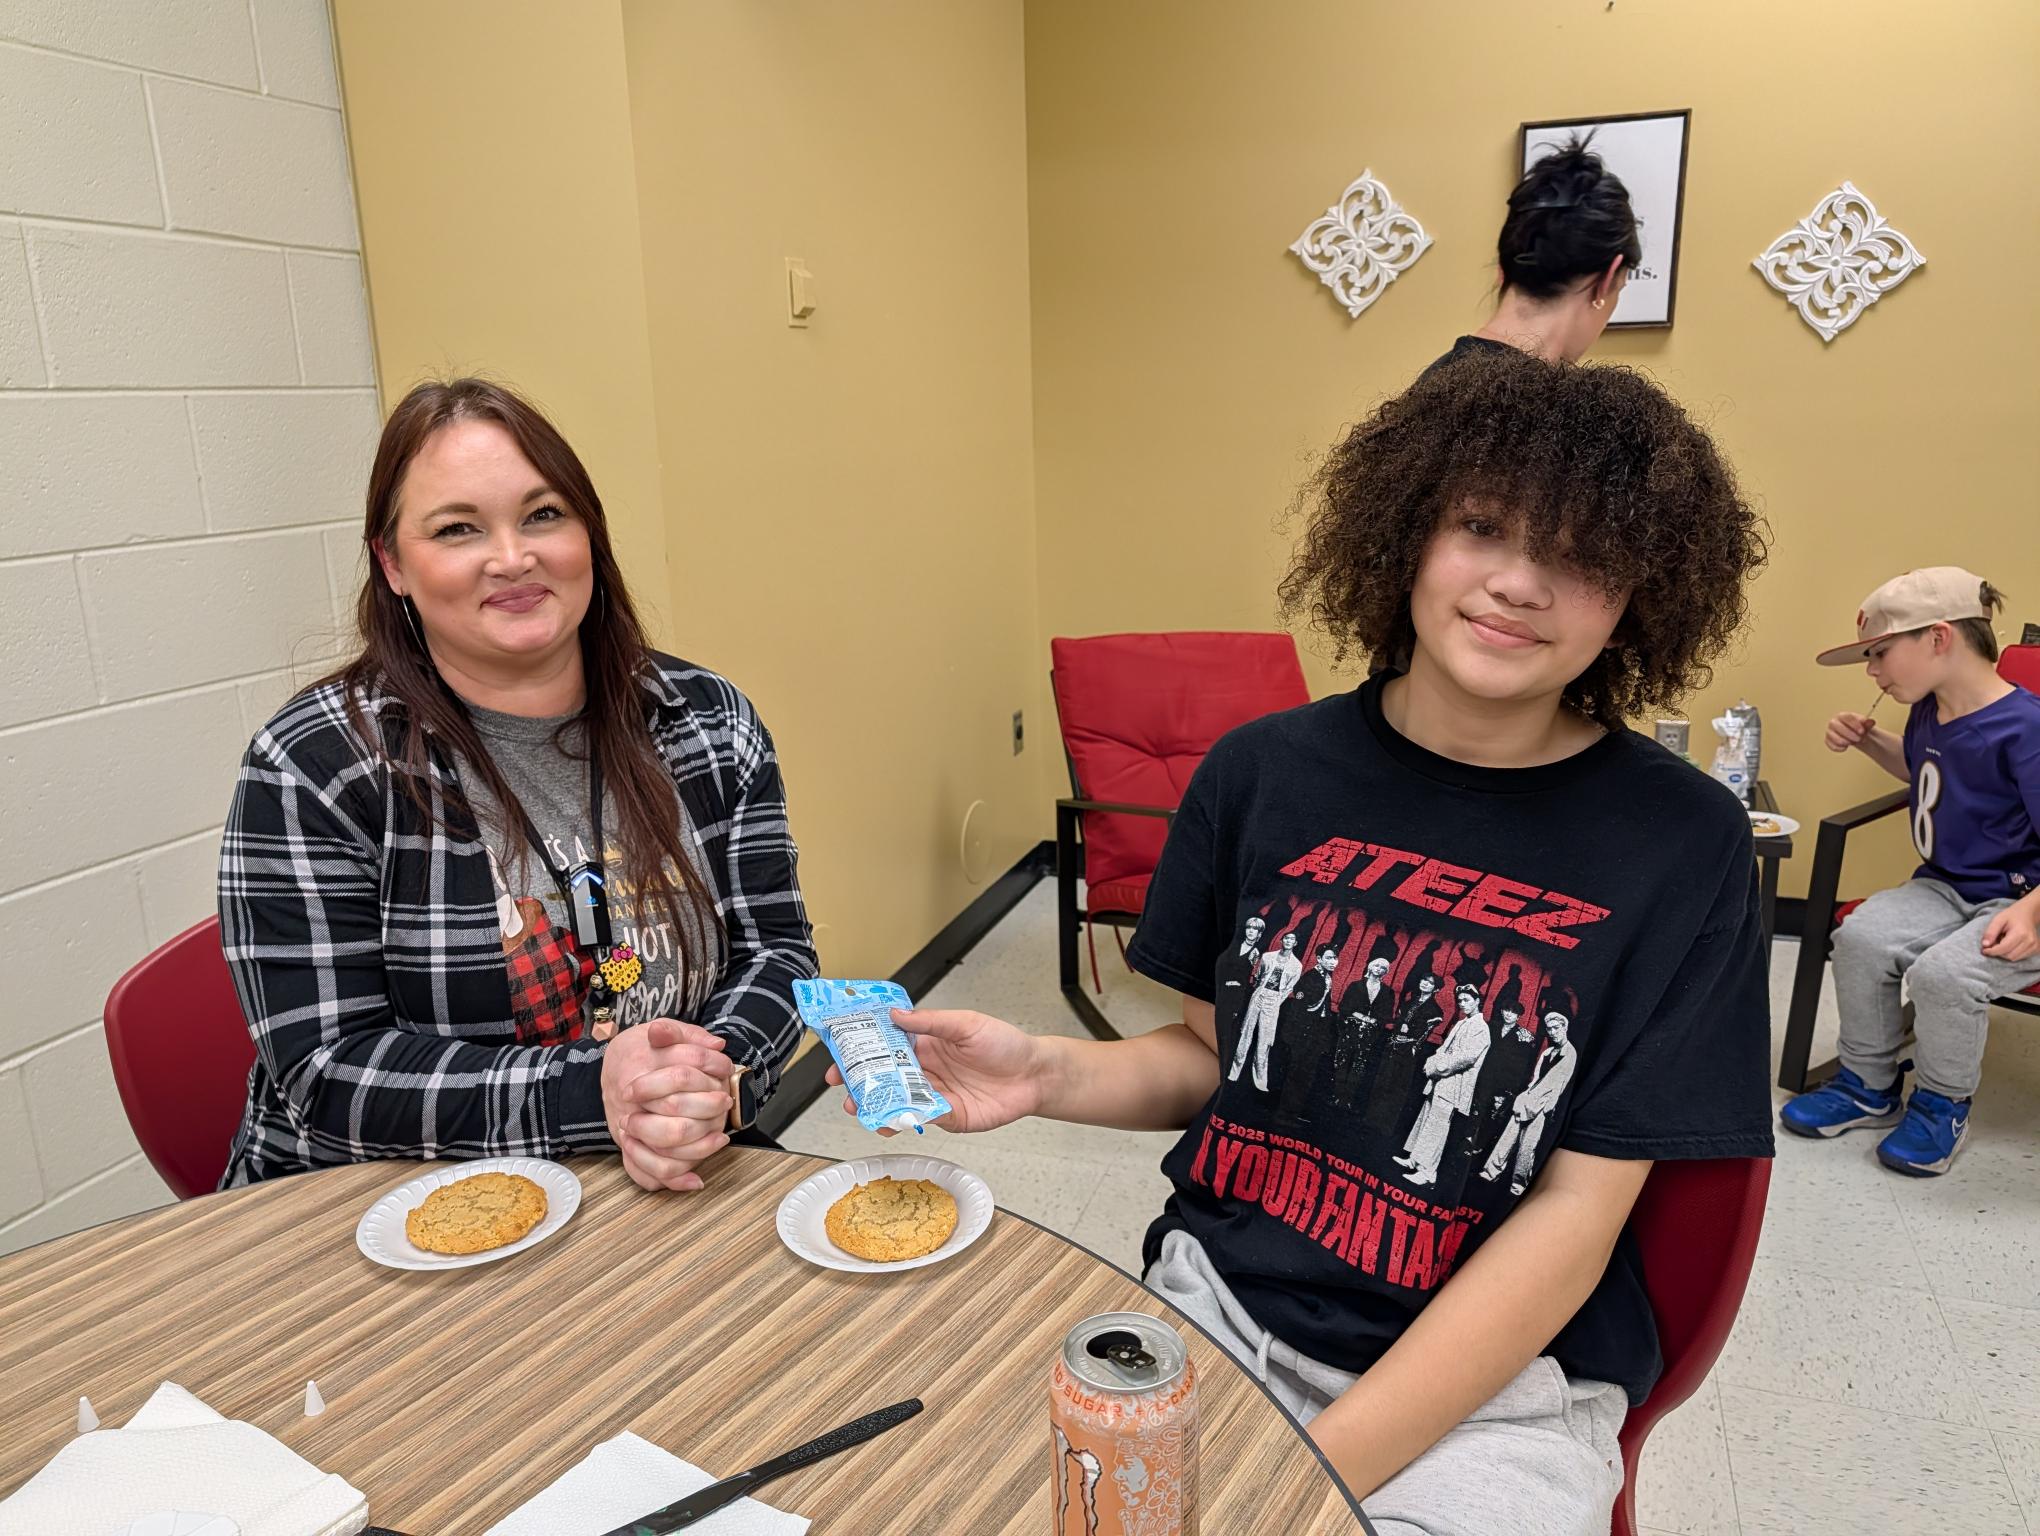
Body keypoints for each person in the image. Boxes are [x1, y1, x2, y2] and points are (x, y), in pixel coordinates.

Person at [829, 348, 1772, 1533]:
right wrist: (1048, 1071)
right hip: (1214, 1310)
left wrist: (1298, 1483)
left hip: (1492, 1398)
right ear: (1407, 534)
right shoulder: (1262, 773)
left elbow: (1579, 1216)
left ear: (1642, 592)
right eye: (1483, 525)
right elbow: (1220, 1063)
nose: (1521, 583)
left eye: (1581, 556)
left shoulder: (1682, 842)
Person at [218, 378, 817, 1191]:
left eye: (543, 515)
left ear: (590, 536)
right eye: (458, 528)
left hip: (667, 1173)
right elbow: (328, 1073)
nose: (512, 558)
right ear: (393, 563)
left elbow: (778, 952)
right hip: (391, 1204)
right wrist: (590, 1093)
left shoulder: (708, 723)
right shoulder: (316, 763)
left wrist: (702, 1084)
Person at [1780, 567, 2040, 1174]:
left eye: (1880, 654)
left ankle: (1941, 1106)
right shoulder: (1929, 709)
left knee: (1946, 978)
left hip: (2022, 901)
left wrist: (2031, 911)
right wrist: (1872, 741)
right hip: (1949, 886)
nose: (1873, 671)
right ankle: (1867, 1085)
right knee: (1863, 938)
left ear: (1939, 638)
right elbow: (1929, 773)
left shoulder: (2026, 728)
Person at [1427, 136, 1639, 377]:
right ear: (1606, 281)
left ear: (1502, 269)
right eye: (1620, 287)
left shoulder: (1433, 383)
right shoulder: (1571, 408)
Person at [1396, 984, 1490, 1187]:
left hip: (1454, 1082)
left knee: (1438, 1126)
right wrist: (1433, 1061)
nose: (1462, 1004)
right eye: (1460, 1000)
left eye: (1467, 1000)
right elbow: (1445, 1048)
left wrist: (1436, 1067)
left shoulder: (1481, 1028)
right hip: (1441, 1079)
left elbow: (1465, 1058)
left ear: (1477, 1000)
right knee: (1427, 1119)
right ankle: (1415, 1159)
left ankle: (1428, 1172)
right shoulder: (1462, 1022)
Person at [1480, 1012, 1580, 1197]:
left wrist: (1545, 1107)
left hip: (1542, 1105)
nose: (1552, 1032)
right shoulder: (1548, 1052)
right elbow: (1535, 1079)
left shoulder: (1570, 1053)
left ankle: (1518, 1185)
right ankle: (1490, 1172)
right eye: (1549, 1029)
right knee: (1507, 1138)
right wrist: (1525, 1095)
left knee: (1528, 1146)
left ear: (1565, 1028)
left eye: (1556, 1028)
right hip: (1528, 1100)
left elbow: (1557, 1085)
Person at [1275, 945, 1343, 1126]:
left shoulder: (1327, 978)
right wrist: (1295, 1035)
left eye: (1335, 958)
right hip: (1303, 1035)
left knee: (1306, 1075)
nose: (1333, 962)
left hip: (1315, 1035)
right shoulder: (1311, 977)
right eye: (1328, 958)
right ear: (1319, 959)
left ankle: (1293, 1112)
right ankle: (1284, 1115)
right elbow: (1298, 1008)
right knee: (1296, 1074)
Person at [1228, 928, 1302, 1091]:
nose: (1288, 941)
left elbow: (1289, 987)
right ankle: (1234, 1072)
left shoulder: (1296, 965)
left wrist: (1276, 1001)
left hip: (1274, 1000)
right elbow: (1260, 976)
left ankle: (1260, 1080)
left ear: (1295, 943)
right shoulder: (1268, 957)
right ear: (1282, 940)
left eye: (1292, 939)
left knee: (1265, 1038)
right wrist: (1260, 991)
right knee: (1246, 1032)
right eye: (1286, 938)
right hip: (1259, 994)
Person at [1332, 956, 1398, 1108]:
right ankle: (1336, 1095)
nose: (1378, 969)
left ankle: (1348, 1099)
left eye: (1383, 968)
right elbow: (1344, 1007)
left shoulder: (1388, 992)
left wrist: (1373, 1022)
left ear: (1385, 972)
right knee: (1342, 1061)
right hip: (1350, 1029)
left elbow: (1386, 1015)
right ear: (1370, 966)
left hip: (1369, 1034)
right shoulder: (1356, 985)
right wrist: (1361, 1017)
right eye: (1376, 965)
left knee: (1359, 1066)